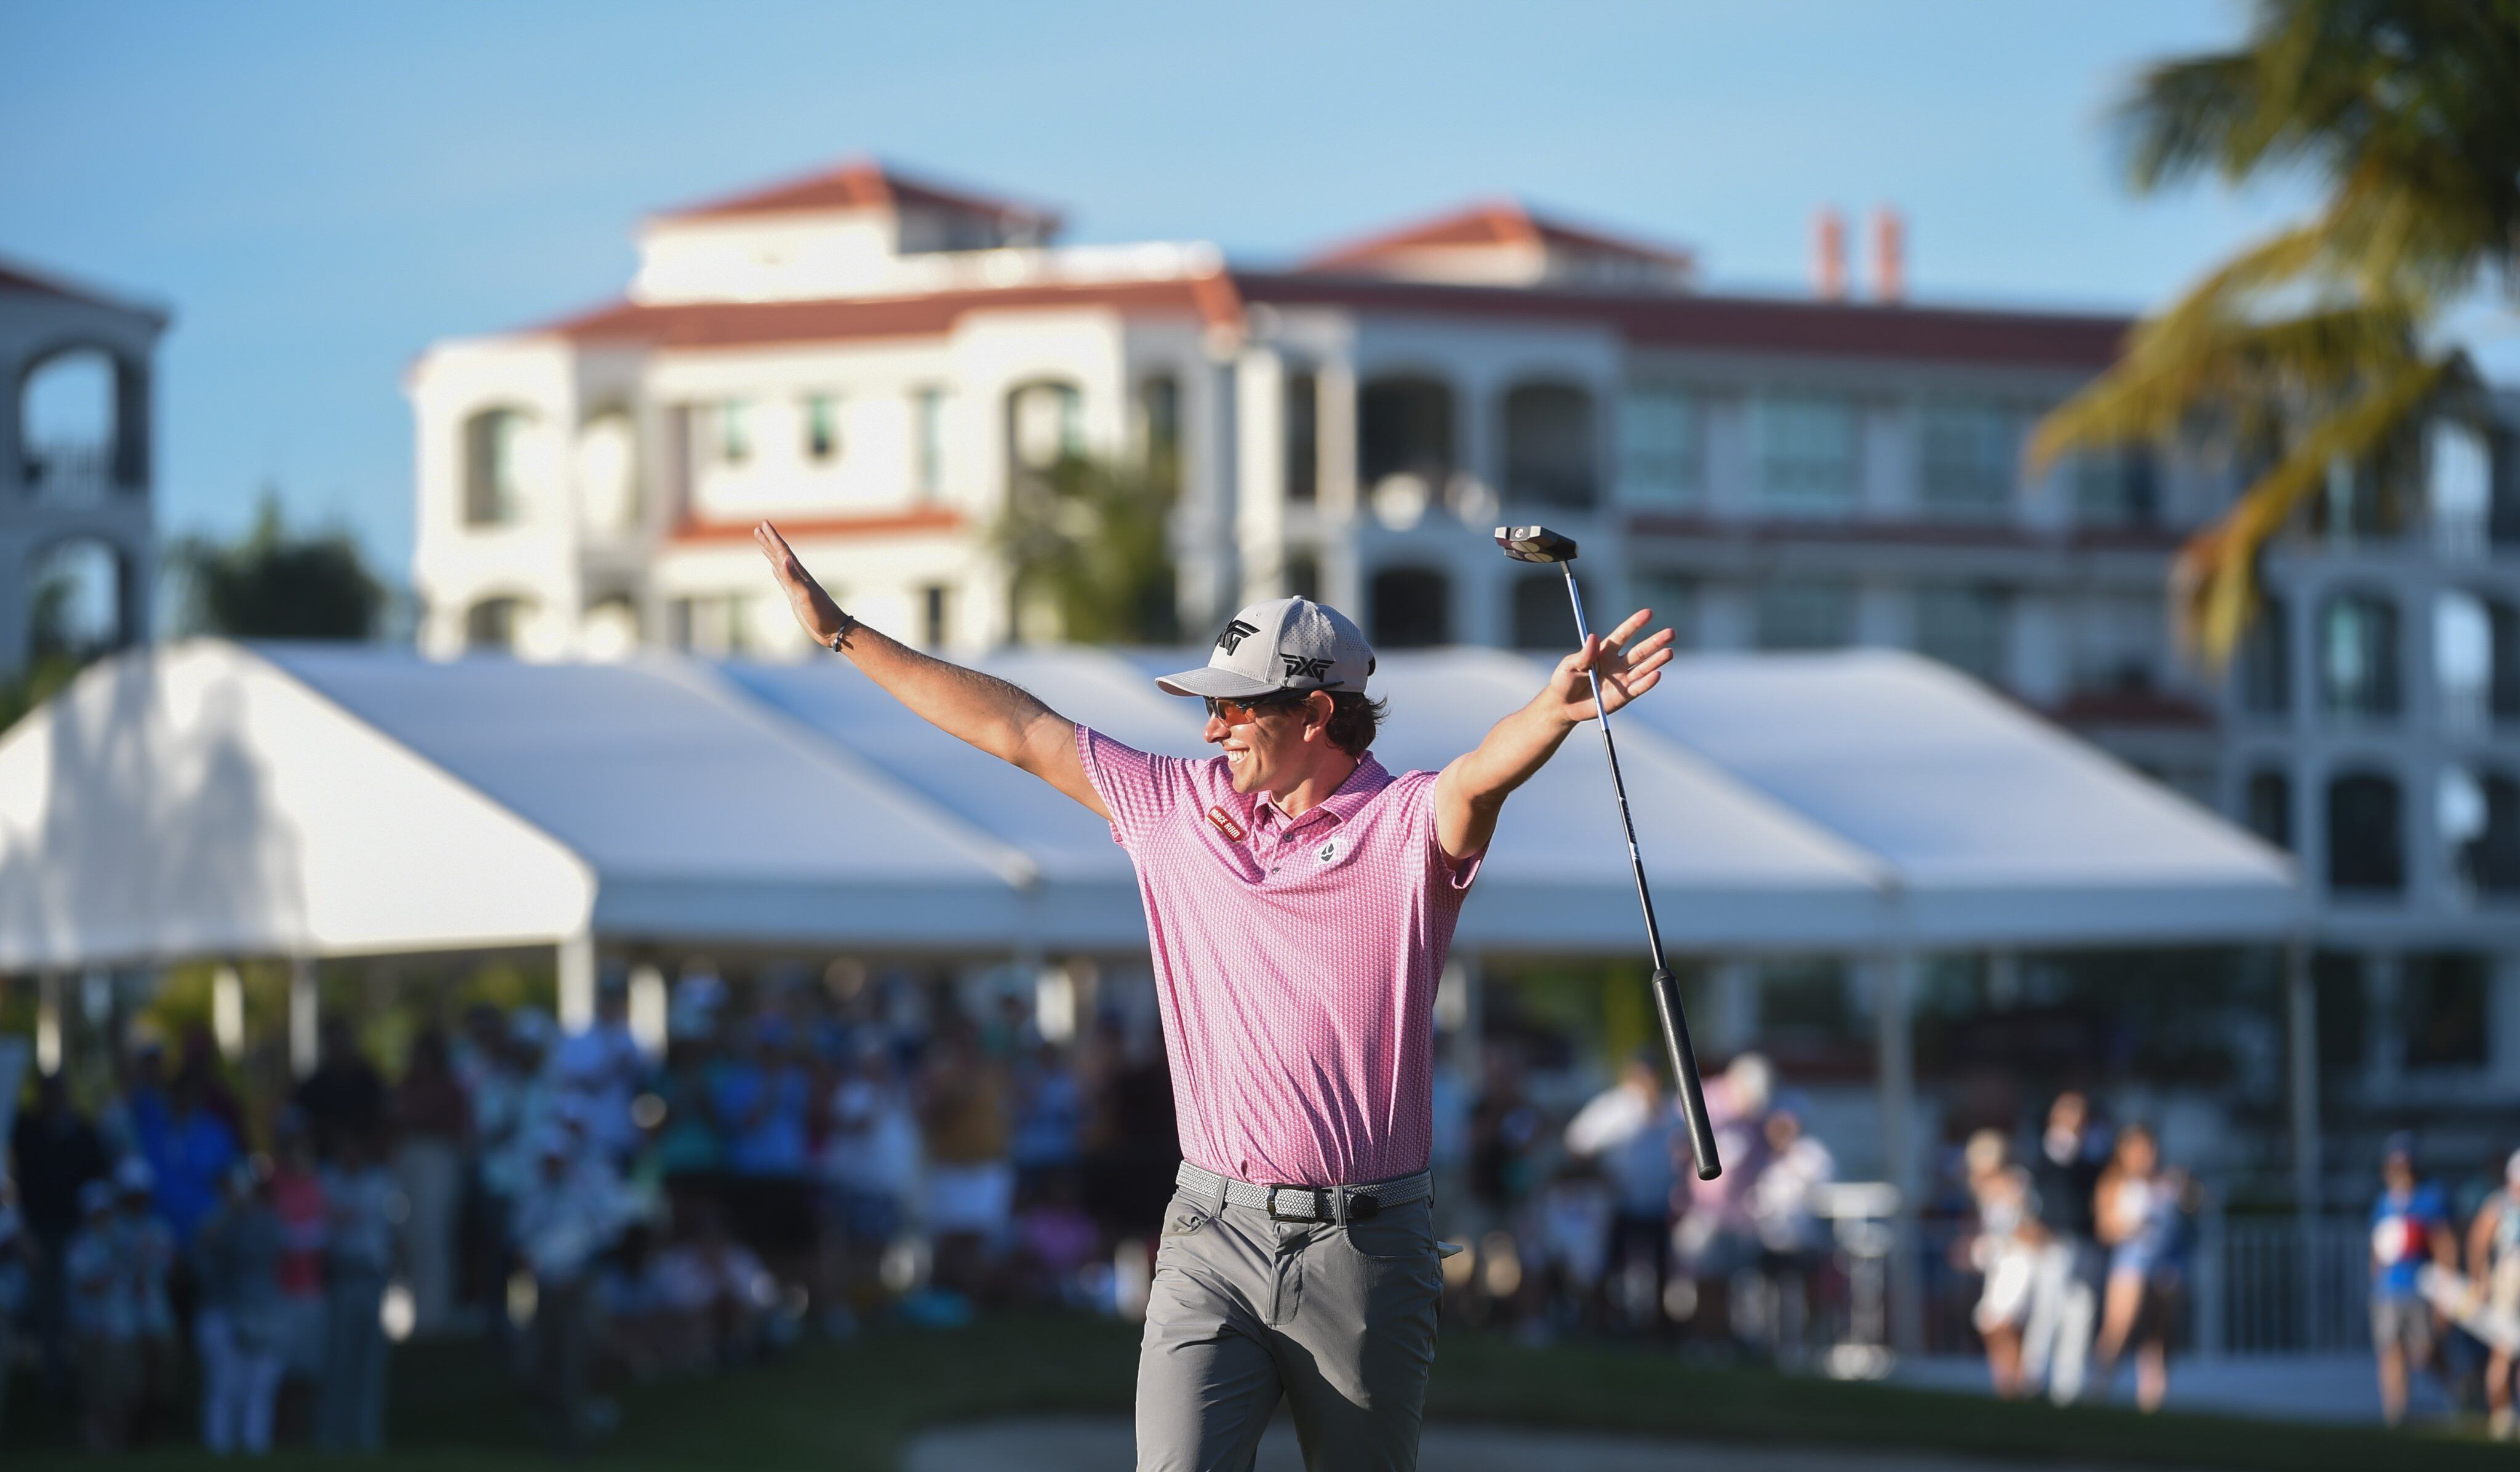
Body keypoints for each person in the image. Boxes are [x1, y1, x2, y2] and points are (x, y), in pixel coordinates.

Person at [759, 524, 1675, 1471]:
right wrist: (843, 633)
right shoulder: (1172, 809)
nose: (1211, 728)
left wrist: (1553, 714)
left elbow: (1481, 774)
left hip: (1364, 1249)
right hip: (1209, 1233)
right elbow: (1019, 731)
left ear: (1317, 712)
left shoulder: (1405, 831)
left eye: (1237, 710)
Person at [1563, 1050, 1678, 1334]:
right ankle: (1603, 1323)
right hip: (1619, 1202)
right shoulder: (1612, 1107)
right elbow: (1577, 1143)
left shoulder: (1670, 1111)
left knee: (1659, 1268)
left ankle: (1656, 1328)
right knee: (1611, 1266)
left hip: (1657, 1203)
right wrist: (1602, 1174)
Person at [9, 1073, 108, 1388]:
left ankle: (88, 1384)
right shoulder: (26, 1131)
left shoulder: (83, 1133)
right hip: (39, 1233)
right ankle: (54, 1384)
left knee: (82, 1305)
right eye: (47, 1093)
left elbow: (96, 1179)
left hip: (78, 1232)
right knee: (49, 1308)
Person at [2091, 1123, 2188, 1413]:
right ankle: (2098, 1392)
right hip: (2133, 1261)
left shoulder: (2169, 1182)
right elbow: (2105, 1228)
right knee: (2119, 1328)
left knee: (2160, 1333)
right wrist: (2132, 1226)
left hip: (2168, 1262)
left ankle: (2153, 1400)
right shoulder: (2114, 1183)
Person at [194, 1162, 286, 1455]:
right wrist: (229, 1216)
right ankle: (219, 1446)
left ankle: (255, 1445)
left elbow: (268, 1256)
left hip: (261, 1312)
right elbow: (201, 1262)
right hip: (222, 1312)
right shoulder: (214, 1220)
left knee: (260, 1385)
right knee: (224, 1385)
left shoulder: (268, 1222)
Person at [2022, 1090, 2106, 1404]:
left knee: (2080, 1316)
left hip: (2085, 1242)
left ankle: (2068, 1388)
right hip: (2056, 1243)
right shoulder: (2043, 1157)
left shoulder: (2091, 1157)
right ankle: (2032, 1379)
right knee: (2048, 1312)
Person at [317, 1134, 398, 1452]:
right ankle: (331, 1438)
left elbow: (393, 1230)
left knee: (370, 1365)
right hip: (342, 1276)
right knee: (338, 1361)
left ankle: (367, 1439)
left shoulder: (381, 1182)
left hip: (374, 1277)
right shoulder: (327, 1181)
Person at [2367, 1132, 2452, 1427]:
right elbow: (2377, 1248)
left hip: (2420, 1288)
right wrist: (2375, 1281)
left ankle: (2456, 1390)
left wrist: (2446, 1289)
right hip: (2388, 1291)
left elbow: (2443, 1244)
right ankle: (2396, 1412)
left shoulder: (2429, 1198)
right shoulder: (2383, 1203)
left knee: (2425, 1352)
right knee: (2391, 1351)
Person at [391, 1026, 471, 1337]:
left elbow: (450, 1127)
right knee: (410, 1238)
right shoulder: (406, 1086)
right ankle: (414, 1315)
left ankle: (435, 1317)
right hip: (409, 1160)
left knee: (434, 1238)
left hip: (438, 1160)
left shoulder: (450, 1089)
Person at [1961, 1129, 2043, 1399]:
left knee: (2002, 1323)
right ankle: (2008, 1384)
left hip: (2020, 1262)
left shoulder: (2017, 1183)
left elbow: (2028, 1226)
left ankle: (2019, 1383)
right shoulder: (1983, 1190)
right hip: (2001, 1264)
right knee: (1992, 1323)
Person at [66, 1179, 141, 1450]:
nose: (103, 1217)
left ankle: (120, 1442)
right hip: (92, 1329)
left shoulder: (122, 1240)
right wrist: (110, 1275)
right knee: (95, 1391)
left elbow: (137, 1281)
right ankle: (96, 1444)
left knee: (122, 1389)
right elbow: (86, 1286)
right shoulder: (80, 1246)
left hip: (122, 1328)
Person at [2464, 1148, 2520, 1438]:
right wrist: (2480, 1280)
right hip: (2508, 1286)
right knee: (2504, 1349)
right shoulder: (2500, 1205)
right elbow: (2478, 1242)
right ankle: (2501, 1414)